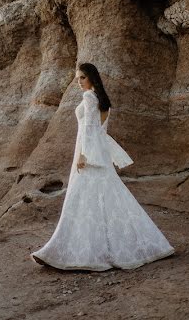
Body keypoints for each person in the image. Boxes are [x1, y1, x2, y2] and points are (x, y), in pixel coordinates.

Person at [30, 62, 176, 270]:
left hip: (88, 153)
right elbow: (100, 131)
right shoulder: (102, 99)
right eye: (78, 78)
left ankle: (74, 253)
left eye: (82, 77)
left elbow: (90, 128)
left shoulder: (89, 97)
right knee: (112, 199)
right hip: (99, 153)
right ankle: (149, 244)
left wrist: (82, 155)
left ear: (91, 78)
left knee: (81, 200)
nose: (79, 82)